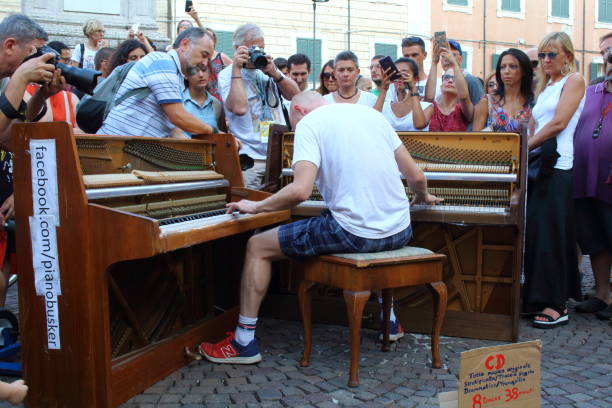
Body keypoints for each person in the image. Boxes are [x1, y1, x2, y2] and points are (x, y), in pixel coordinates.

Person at [197, 91, 442, 364]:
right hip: (400, 231)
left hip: (354, 234)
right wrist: (422, 197)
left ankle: (243, 342)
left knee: (257, 245)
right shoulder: (373, 116)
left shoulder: (309, 124)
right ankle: (390, 321)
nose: (294, 129)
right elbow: (417, 176)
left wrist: (255, 206)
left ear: (299, 111)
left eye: (292, 123)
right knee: (361, 223)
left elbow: (300, 191)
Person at [523, 32, 586, 329]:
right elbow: (537, 122)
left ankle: (555, 302)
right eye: (542, 56)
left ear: (568, 56)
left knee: (553, 236)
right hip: (539, 162)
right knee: (538, 234)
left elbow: (560, 123)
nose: (546, 60)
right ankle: (538, 295)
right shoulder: (546, 86)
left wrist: (524, 147)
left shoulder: (574, 81)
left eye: (552, 54)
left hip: (558, 164)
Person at [218, 23, 299, 189]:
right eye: (252, 48)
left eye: (260, 48)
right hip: (251, 161)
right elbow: (239, 108)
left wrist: (276, 73)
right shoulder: (227, 75)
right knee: (249, 208)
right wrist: (236, 69)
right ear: (237, 48)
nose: (257, 53)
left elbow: (296, 96)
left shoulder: (268, 70)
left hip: (277, 157)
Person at [98, 28, 217, 138]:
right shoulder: (163, 62)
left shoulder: (175, 74)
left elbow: (174, 128)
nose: (205, 63)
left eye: (208, 59)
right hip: (115, 147)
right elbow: (178, 117)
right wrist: (214, 132)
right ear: (185, 44)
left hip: (126, 149)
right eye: (204, 55)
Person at [572, 34, 612, 320]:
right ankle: (602, 293)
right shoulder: (593, 91)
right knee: (595, 239)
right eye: (607, 56)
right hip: (586, 177)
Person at [0, 14, 65, 144]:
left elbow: (5, 137)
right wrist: (21, 76)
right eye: (33, 52)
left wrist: (40, 96)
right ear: (10, 46)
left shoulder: (4, 79)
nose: (37, 60)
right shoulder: (15, 78)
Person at [473, 49, 534, 133]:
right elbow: (475, 139)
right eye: (502, 67)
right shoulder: (487, 102)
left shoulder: (532, 103)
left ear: (523, 71)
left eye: (512, 66)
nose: (506, 71)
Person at [374, 57, 432, 131]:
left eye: (404, 73)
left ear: (415, 79)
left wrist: (413, 88)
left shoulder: (427, 107)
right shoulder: (385, 106)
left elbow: (419, 125)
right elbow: (373, 121)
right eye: (396, 73)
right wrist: (384, 89)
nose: (400, 76)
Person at [424, 39, 483, 107]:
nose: (447, 58)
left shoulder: (471, 80)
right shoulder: (440, 81)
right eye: (443, 55)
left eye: (453, 55)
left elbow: (479, 112)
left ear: (461, 59)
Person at [427, 46, 473, 132]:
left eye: (455, 78)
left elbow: (464, 97)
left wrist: (455, 64)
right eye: (447, 77)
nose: (450, 80)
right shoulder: (432, 107)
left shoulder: (463, 110)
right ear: (441, 85)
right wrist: (434, 62)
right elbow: (428, 98)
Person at [176, 65, 225, 137]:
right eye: (194, 71)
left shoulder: (216, 104)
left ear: (209, 73)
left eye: (204, 70)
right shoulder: (178, 102)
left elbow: (223, 137)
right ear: (185, 75)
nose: (201, 75)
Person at [203, 27, 233, 102]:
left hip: (220, 98)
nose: (208, 40)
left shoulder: (221, 57)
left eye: (210, 37)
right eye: (205, 37)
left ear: (214, 41)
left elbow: (236, 71)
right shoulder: (200, 58)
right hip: (204, 98)